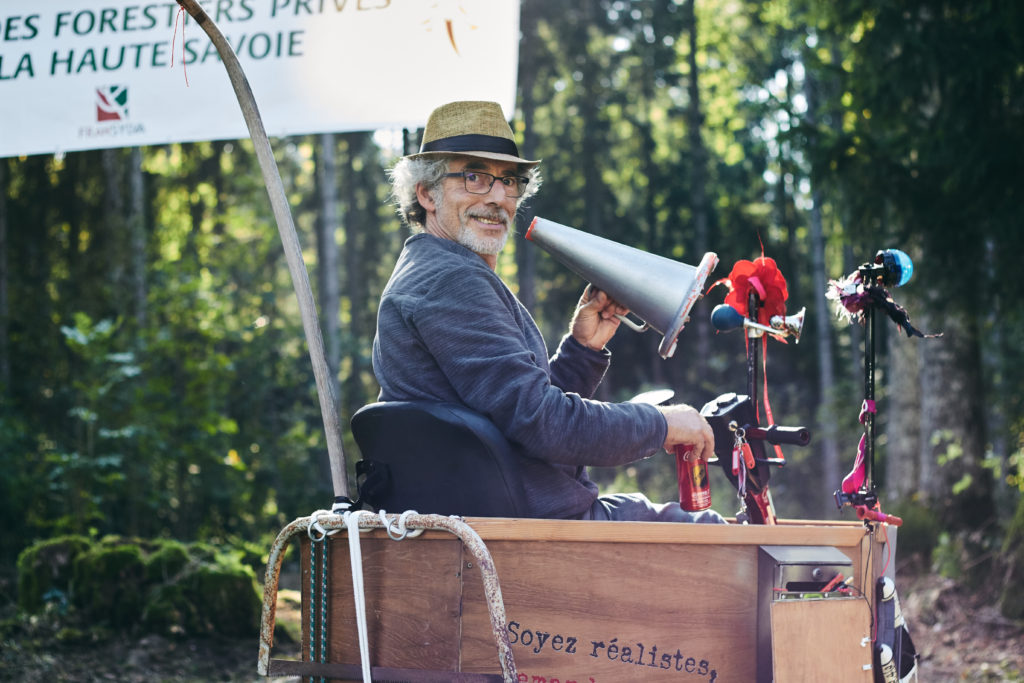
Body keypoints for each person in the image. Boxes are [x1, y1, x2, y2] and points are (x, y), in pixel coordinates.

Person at [372, 100, 724, 524]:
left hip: (520, 517)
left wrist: (582, 349)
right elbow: (543, 423)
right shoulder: (451, 281)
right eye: (474, 177)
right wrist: (663, 424)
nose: (499, 197)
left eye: (509, 180)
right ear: (426, 194)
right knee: (718, 542)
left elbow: (511, 417)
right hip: (531, 534)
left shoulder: (438, 269)